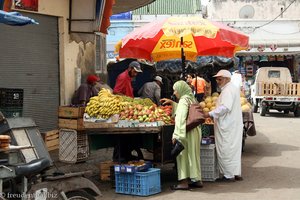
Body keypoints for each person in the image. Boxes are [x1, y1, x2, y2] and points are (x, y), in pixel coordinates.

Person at [160, 80, 202, 190]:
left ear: (181, 89)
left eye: (175, 90)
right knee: (193, 156)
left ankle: (183, 182)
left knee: (182, 157)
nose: (174, 93)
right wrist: (173, 103)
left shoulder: (183, 100)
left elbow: (180, 118)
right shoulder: (191, 98)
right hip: (194, 131)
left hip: (186, 133)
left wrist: (177, 135)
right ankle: (197, 180)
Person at [203, 69, 243, 181]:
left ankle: (228, 175)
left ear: (226, 79)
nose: (218, 81)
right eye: (217, 79)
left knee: (227, 149)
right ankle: (235, 172)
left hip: (228, 126)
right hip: (231, 125)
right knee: (233, 149)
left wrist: (209, 113)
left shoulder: (228, 90)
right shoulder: (231, 88)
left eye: (220, 79)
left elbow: (225, 108)